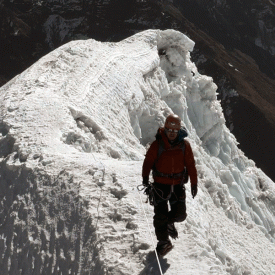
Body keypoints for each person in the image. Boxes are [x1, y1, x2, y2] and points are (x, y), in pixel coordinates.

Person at [142, 114, 198, 257]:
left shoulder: (185, 146)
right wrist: (145, 178)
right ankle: (163, 242)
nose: (172, 134)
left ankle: (168, 223)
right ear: (165, 130)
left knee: (180, 215)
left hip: (177, 186)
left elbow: (190, 164)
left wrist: (194, 183)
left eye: (174, 131)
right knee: (160, 216)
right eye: (169, 130)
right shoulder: (158, 145)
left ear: (178, 131)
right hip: (160, 186)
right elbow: (148, 161)